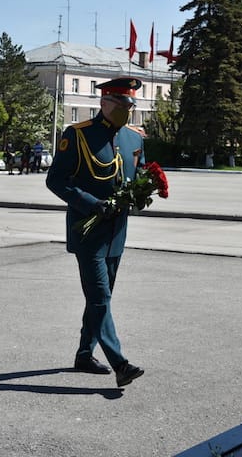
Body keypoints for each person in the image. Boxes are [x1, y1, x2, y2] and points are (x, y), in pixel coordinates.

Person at [46, 77, 145, 387]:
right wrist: (91, 204)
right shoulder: (78, 135)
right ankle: (121, 363)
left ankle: (84, 354)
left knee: (100, 298)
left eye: (130, 105)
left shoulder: (133, 139)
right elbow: (56, 180)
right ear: (104, 103)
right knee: (100, 297)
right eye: (121, 104)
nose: (126, 110)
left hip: (117, 233)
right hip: (88, 233)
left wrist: (141, 194)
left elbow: (136, 176)